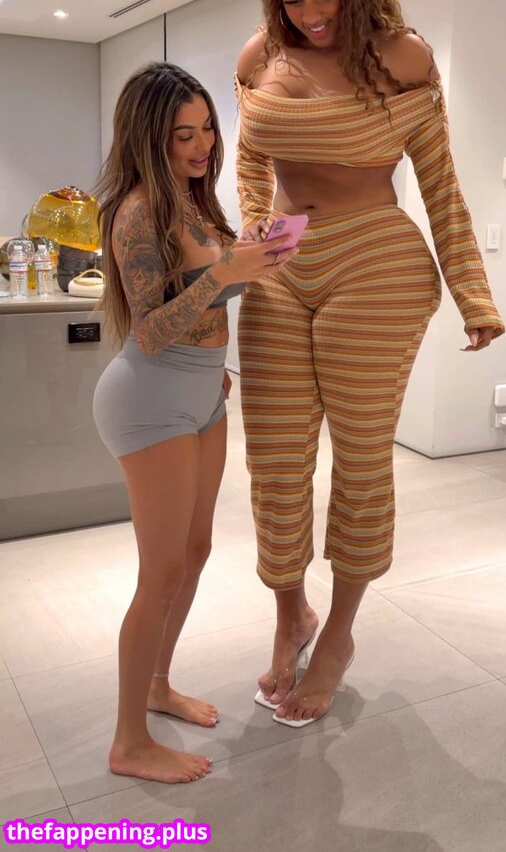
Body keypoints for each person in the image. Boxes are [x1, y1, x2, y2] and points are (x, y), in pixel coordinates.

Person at [235, 0, 505, 728]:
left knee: (358, 457)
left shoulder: (402, 56)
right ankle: (291, 617)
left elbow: (439, 182)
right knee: (274, 459)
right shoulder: (260, 56)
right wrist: (255, 231)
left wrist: (472, 291)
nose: (311, 14)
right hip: (283, 260)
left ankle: (339, 635)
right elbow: (249, 157)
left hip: (376, 259)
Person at [93, 62, 293, 783]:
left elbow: (205, 294)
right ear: (150, 137)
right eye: (184, 134)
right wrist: (226, 272)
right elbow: (148, 330)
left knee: (196, 550)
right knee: (162, 572)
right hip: (151, 398)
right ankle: (128, 742)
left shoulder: (193, 202)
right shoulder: (138, 212)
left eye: (208, 128)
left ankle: (157, 685)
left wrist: (248, 258)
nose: (203, 144)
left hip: (203, 392)